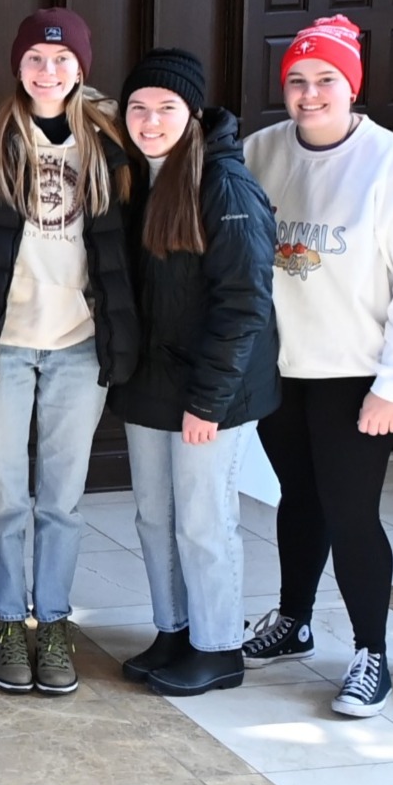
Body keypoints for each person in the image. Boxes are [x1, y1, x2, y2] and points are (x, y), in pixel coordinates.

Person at [240, 17, 393, 717]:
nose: (310, 94)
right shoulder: (260, 151)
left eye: (326, 80)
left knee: (352, 510)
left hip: (356, 375)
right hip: (282, 367)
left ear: (353, 85)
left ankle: (372, 651)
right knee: (297, 498)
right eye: (298, 81)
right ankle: (294, 618)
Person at [0, 8, 140, 696]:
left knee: (61, 497)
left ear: (81, 68)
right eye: (36, 58)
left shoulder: (109, 146)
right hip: (2, 346)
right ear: (18, 65)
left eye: (62, 61)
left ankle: (53, 620)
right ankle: (7, 619)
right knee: (4, 494)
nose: (49, 71)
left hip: (77, 346)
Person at [107, 50, 280, 698]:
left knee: (203, 520)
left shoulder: (224, 184)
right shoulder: (138, 174)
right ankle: (173, 628)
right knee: (155, 517)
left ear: (194, 114)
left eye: (166, 108)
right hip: (152, 382)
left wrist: (207, 402)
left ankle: (217, 646)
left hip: (212, 392)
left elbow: (245, 305)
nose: (150, 121)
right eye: (139, 108)